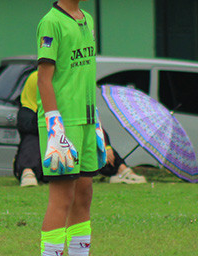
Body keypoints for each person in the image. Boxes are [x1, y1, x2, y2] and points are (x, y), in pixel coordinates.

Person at [34, 0, 108, 256]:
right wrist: (54, 126)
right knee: (61, 198)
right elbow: (44, 79)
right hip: (61, 124)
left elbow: (84, 77)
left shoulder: (88, 20)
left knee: (84, 195)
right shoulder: (51, 23)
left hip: (87, 121)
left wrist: (97, 123)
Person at [14, 70, 145, 186]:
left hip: (68, 135)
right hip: (42, 131)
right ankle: (28, 172)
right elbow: (24, 122)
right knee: (32, 139)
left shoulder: (75, 81)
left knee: (90, 135)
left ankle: (120, 170)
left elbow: (91, 120)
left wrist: (107, 146)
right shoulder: (36, 78)